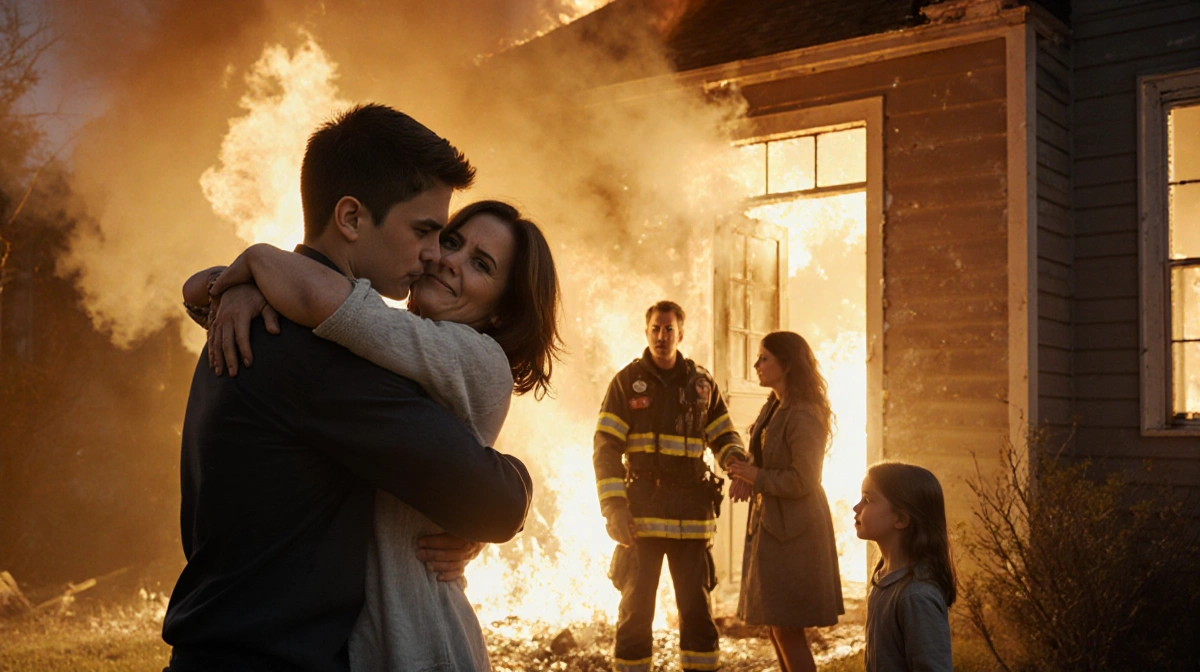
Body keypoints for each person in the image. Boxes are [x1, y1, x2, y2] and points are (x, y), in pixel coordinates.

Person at [164, 104, 534, 672]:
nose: (435, 255)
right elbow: (493, 502)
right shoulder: (320, 359)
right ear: (353, 219)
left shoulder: (255, 316)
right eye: (426, 232)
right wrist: (515, 482)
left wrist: (227, 281)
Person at [593, 300, 748, 672]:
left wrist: (735, 462)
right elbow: (606, 447)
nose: (662, 337)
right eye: (655, 330)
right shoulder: (627, 383)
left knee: (696, 612)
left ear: (681, 333)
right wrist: (614, 507)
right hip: (641, 519)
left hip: (691, 519)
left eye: (669, 329)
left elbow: (723, 433)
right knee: (636, 611)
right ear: (647, 333)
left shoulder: (701, 384)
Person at [727, 331, 844, 672]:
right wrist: (748, 474)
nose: (756, 365)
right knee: (778, 624)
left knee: (788, 626)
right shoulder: (775, 405)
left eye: (765, 358)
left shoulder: (804, 413)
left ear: (788, 365)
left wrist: (756, 477)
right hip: (774, 525)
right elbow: (766, 455)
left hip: (796, 530)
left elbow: (804, 479)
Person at [853, 462, 956, 672]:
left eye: (868, 499)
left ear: (900, 519)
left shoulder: (916, 596)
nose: (856, 508)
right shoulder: (884, 579)